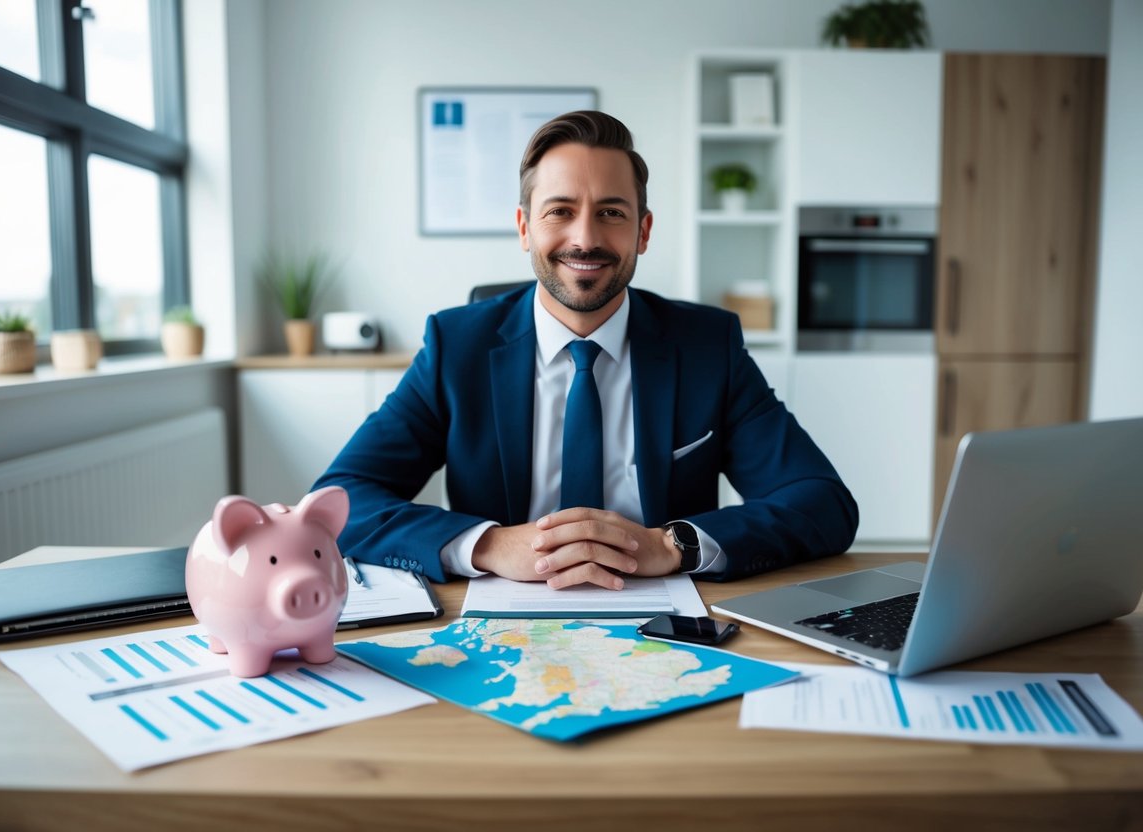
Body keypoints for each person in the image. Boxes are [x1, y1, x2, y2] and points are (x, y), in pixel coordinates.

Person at [314, 110, 857, 589]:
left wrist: (674, 546)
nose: (585, 238)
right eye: (560, 211)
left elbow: (822, 502)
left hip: (668, 624)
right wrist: (487, 545)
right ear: (525, 227)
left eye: (612, 213)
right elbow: (340, 500)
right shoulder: (456, 347)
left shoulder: (708, 347)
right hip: (496, 626)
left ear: (643, 231)